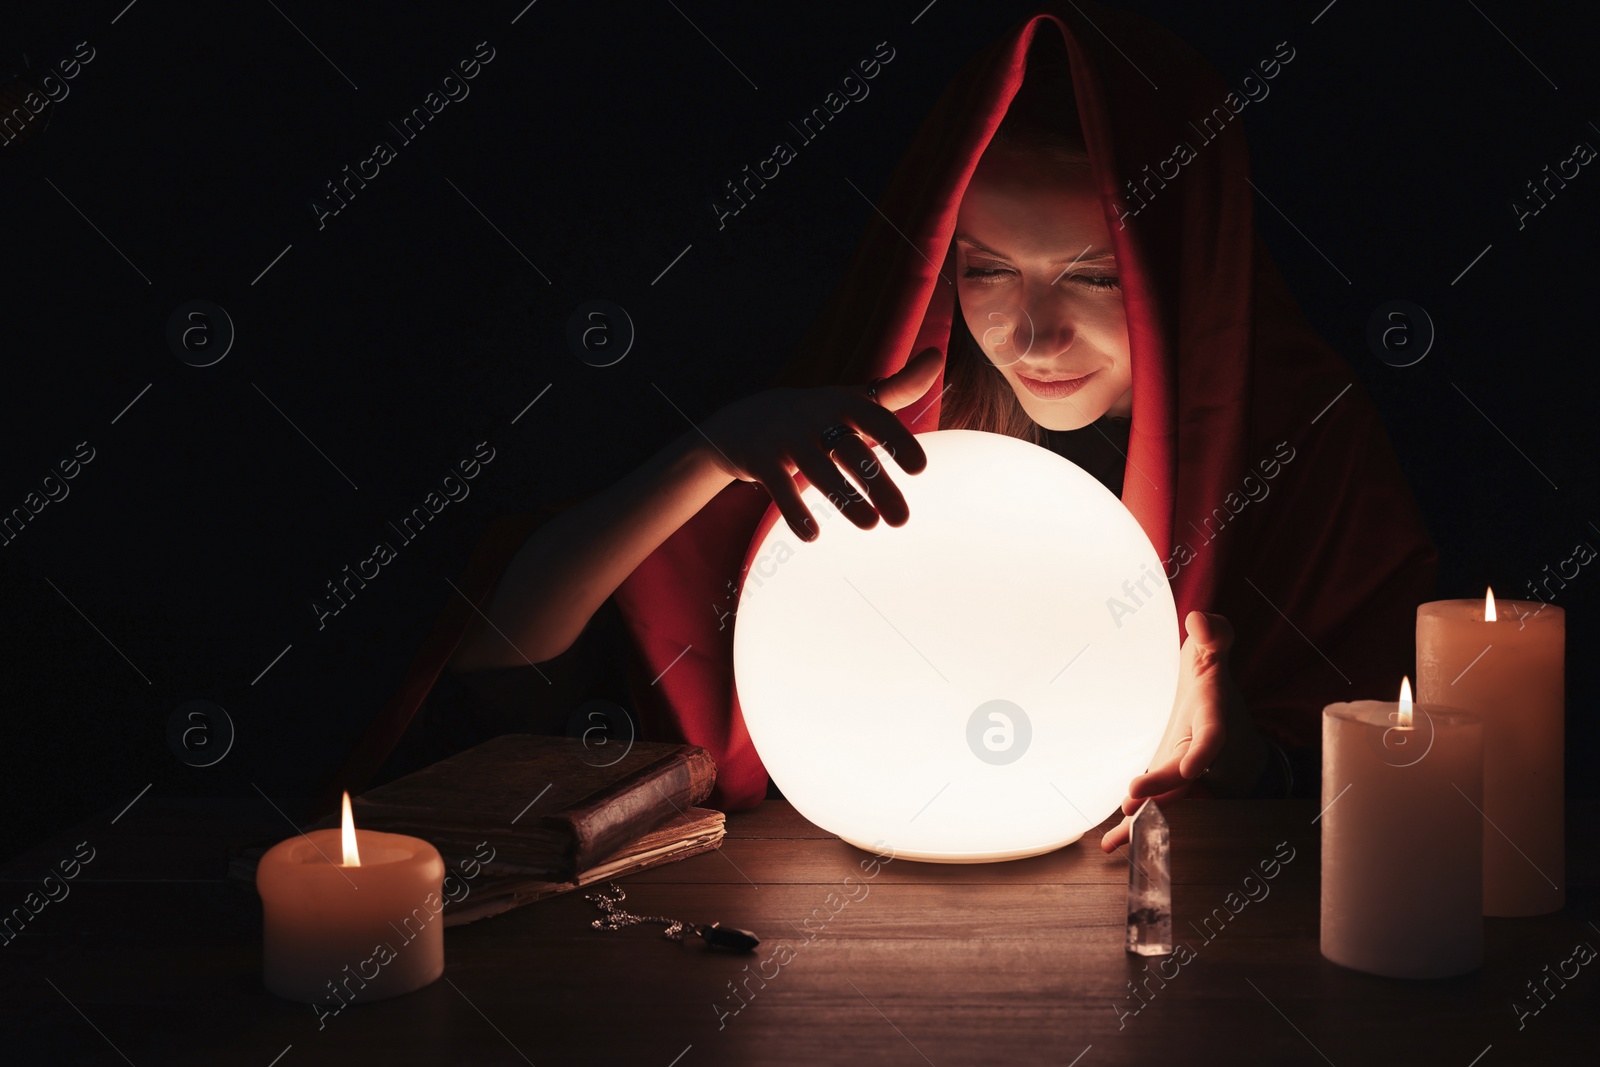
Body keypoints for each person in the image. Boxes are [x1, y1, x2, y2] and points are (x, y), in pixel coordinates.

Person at [422, 3, 1436, 853]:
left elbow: (1417, 791)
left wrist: (1251, 769)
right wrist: (710, 452)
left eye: (1094, 274)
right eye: (986, 267)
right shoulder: (884, 440)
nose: (1032, 332)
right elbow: (502, 661)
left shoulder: (1301, 443)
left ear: (1187, 264)